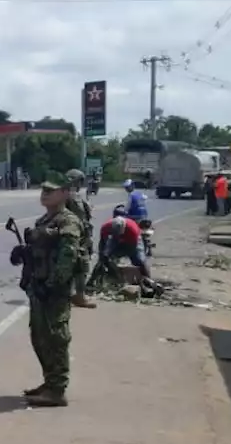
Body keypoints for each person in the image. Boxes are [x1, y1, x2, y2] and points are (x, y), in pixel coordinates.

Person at [23, 173, 82, 408]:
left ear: (66, 193)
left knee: (56, 338)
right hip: (38, 287)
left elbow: (68, 257)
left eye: (52, 190)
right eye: (43, 190)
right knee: (39, 337)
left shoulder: (68, 221)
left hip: (53, 289)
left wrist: (54, 285)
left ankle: (57, 389)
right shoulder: (43, 221)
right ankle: (49, 383)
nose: (45, 193)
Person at [88, 210, 154, 290]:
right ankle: (91, 281)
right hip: (112, 238)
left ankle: (149, 281)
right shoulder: (105, 228)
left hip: (132, 240)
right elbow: (103, 244)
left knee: (139, 260)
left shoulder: (132, 229)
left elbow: (131, 248)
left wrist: (121, 254)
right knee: (103, 259)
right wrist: (106, 257)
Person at [64, 169, 97, 310]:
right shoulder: (72, 196)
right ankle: (79, 296)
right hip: (76, 236)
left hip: (72, 235)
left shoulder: (65, 194)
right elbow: (81, 219)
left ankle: (69, 295)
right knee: (81, 266)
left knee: (70, 267)